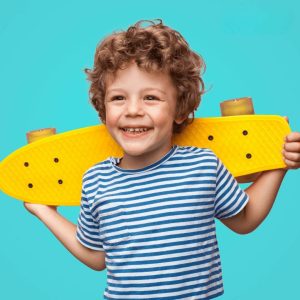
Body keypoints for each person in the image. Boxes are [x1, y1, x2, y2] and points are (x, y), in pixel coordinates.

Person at [24, 20, 300, 300]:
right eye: (118, 97)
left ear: (180, 109)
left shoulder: (203, 166)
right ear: (103, 110)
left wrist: (279, 164)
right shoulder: (96, 180)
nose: (133, 110)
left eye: (151, 98)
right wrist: (44, 211)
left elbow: (245, 219)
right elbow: (97, 256)